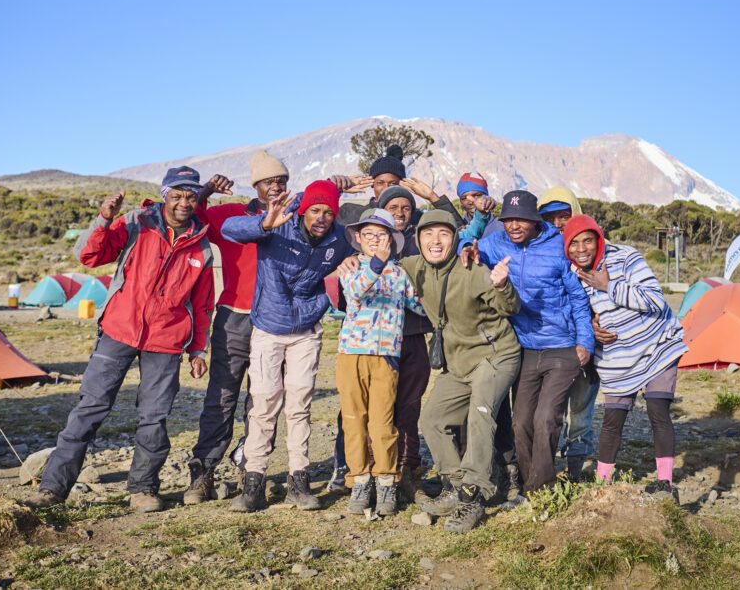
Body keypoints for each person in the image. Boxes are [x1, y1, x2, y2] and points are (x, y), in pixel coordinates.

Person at [27, 167, 217, 513]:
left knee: (154, 416)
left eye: (190, 196)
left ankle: (143, 489)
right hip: (119, 330)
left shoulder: (201, 247)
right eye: (176, 195)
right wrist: (104, 219)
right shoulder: (137, 222)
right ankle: (52, 488)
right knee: (90, 408)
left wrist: (197, 349)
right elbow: (89, 256)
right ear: (164, 196)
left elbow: (203, 305)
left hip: (166, 340)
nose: (183, 203)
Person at [222, 180, 350, 512]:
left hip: (306, 329)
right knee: (263, 404)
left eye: (328, 212)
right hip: (268, 327)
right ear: (304, 210)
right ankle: (253, 482)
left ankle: (298, 481)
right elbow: (228, 229)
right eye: (315, 210)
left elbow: (364, 248)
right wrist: (263, 224)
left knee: (299, 404)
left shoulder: (339, 239)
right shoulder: (278, 224)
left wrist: (355, 260)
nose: (321, 218)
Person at [462, 191, 594, 494]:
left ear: (535, 220)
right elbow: (464, 242)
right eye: (508, 220)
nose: (514, 226)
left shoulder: (558, 246)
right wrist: (466, 247)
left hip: (561, 346)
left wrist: (584, 342)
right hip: (523, 347)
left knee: (546, 418)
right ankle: (526, 481)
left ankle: (539, 489)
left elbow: (578, 298)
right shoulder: (495, 244)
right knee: (520, 422)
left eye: (521, 219)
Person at [402, 210, 521, 533]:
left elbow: (510, 308)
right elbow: (381, 256)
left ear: (455, 238)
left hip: (495, 355)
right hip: (457, 362)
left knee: (480, 416)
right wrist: (351, 259)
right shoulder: (414, 267)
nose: (435, 240)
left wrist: (502, 285)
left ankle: (473, 495)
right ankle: (456, 484)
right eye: (428, 234)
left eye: (444, 233)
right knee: (433, 419)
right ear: (418, 239)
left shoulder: (472, 269)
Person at [184, 151, 284, 504]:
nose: (276, 187)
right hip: (234, 317)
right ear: (256, 185)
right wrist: (207, 190)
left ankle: (251, 468)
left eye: (281, 181)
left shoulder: (293, 217)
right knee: (222, 396)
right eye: (269, 181)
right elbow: (191, 216)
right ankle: (203, 471)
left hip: (275, 321)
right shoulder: (231, 214)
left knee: (264, 398)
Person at [563, 215, 688, 500]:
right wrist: (592, 329)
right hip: (616, 356)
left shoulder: (626, 257)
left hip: (656, 345)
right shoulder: (571, 274)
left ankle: (665, 484)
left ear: (598, 239)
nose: (581, 249)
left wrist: (609, 286)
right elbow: (577, 314)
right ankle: (601, 485)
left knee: (657, 410)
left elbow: (655, 300)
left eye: (587, 241)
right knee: (613, 419)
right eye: (573, 243)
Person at [337, 208, 424, 516]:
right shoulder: (350, 268)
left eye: (381, 234)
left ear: (392, 239)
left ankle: (386, 481)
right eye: (369, 234)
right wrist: (376, 264)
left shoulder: (399, 274)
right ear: (358, 238)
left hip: (387, 356)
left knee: (382, 422)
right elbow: (355, 292)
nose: (375, 240)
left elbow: (421, 305)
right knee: (353, 420)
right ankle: (359, 480)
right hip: (352, 354)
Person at [538, 185, 597, 482]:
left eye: (564, 216)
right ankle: (545, 466)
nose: (558, 224)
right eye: (550, 218)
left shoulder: (592, 249)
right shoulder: (539, 252)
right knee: (551, 408)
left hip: (588, 342)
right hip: (554, 343)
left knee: (581, 405)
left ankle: (575, 467)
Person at [456, 171, 503, 238]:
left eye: (476, 195)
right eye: (464, 198)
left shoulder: (501, 228)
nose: (470, 202)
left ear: (486, 197)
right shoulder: (457, 228)